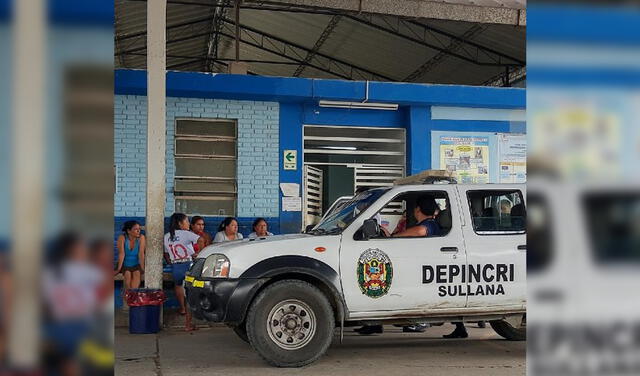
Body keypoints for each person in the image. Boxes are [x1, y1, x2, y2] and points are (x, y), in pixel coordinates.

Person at [164, 213, 205, 331]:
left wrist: (170, 261)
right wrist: (200, 253)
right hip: (188, 265)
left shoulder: (167, 236)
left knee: (179, 287)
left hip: (176, 266)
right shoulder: (186, 234)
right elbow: (201, 239)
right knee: (190, 295)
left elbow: (166, 252)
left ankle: (182, 308)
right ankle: (188, 324)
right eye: (186, 221)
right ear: (180, 223)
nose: (188, 224)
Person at [115, 221, 146, 294]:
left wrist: (143, 268)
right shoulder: (122, 238)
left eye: (139, 229)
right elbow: (121, 254)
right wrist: (118, 269)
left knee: (137, 274)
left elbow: (141, 254)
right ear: (129, 231)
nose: (139, 231)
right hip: (125, 264)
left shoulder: (141, 238)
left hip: (136, 264)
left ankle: (132, 297)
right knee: (127, 275)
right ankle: (128, 298)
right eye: (136, 229)